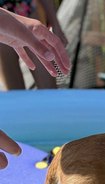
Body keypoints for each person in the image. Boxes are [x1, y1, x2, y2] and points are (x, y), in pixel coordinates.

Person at [0, 6, 71, 169]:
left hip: (25, 10)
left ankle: (56, 151)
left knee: (49, 95)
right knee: (17, 98)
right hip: (5, 12)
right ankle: (24, 158)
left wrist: (55, 23)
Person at [0, 0, 68, 89]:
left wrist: (56, 24)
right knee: (15, 95)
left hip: (28, 15)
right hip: (3, 25)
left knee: (49, 91)